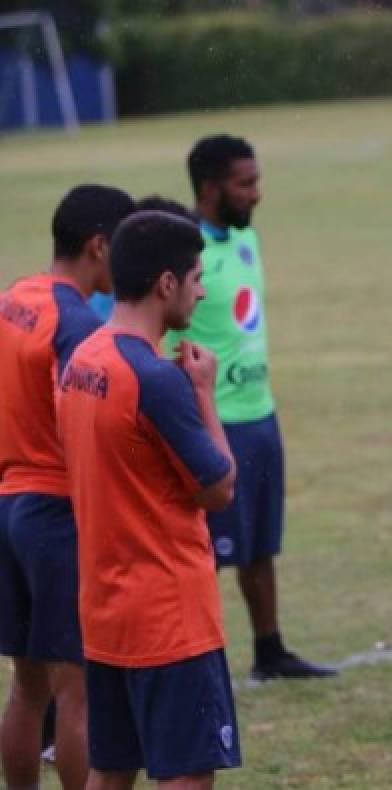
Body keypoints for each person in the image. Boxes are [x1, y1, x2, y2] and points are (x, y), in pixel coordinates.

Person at [57, 210, 241, 788]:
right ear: (167, 284)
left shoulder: (83, 359)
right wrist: (205, 395)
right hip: (169, 616)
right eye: (197, 277)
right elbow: (219, 488)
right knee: (186, 774)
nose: (203, 289)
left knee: (109, 772)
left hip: (107, 610)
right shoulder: (155, 379)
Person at [165, 135, 336, 680]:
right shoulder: (182, 254)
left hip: (261, 413)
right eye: (246, 183)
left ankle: (270, 649)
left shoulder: (245, 240)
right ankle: (197, 659)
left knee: (262, 543)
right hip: (217, 422)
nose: (257, 194)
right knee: (207, 553)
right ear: (212, 188)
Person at [0, 184, 134, 790]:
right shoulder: (76, 323)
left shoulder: (12, 301)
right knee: (77, 691)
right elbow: (83, 422)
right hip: (53, 511)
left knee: (27, 687)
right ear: (99, 246)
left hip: (6, 504)